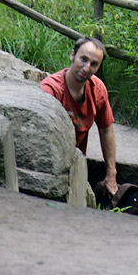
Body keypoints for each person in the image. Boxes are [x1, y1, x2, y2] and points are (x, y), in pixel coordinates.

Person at [40, 36, 118, 195]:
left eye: (94, 64)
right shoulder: (51, 90)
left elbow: (106, 129)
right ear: (72, 55)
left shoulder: (97, 89)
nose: (87, 67)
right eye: (83, 59)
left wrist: (111, 173)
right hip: (50, 161)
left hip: (77, 162)